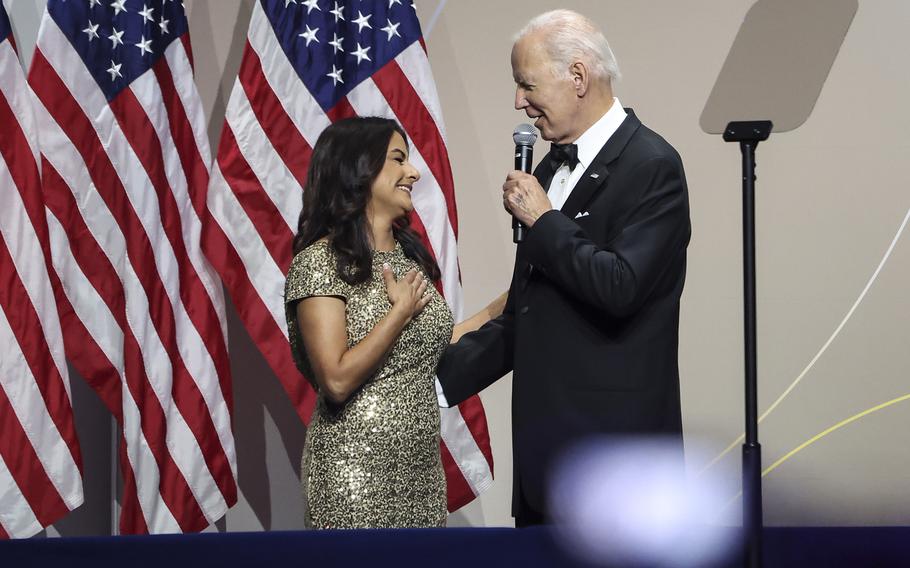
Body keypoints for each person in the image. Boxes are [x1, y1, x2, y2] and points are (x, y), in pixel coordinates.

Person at [436, 9, 692, 527]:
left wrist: (544, 219)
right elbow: (531, 312)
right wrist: (426, 384)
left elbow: (620, 287)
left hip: (617, 465)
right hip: (543, 466)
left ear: (577, 76)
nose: (517, 102)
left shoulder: (652, 166)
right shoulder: (551, 165)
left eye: (526, 84)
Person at [285, 117, 503, 528]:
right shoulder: (319, 262)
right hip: (353, 475)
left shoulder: (407, 260)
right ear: (358, 170)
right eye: (398, 160)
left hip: (421, 476)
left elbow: (430, 348)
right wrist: (398, 314)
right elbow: (335, 379)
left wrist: (502, 308)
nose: (414, 172)